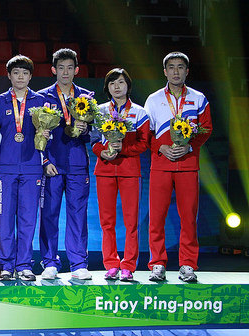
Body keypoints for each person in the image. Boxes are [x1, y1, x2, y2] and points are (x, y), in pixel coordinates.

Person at [144, 51, 211, 282]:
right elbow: (146, 133)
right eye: (171, 67)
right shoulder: (153, 100)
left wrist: (189, 148)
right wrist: (160, 148)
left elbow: (207, 128)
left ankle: (188, 265)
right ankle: (157, 264)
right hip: (161, 165)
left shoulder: (199, 99)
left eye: (180, 67)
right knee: (157, 217)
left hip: (188, 166)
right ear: (164, 71)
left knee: (188, 217)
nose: (175, 71)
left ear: (187, 71)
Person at [0, 55, 45, 281]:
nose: (21, 77)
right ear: (9, 75)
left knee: (28, 219)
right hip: (5, 170)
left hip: (32, 169)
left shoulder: (40, 102)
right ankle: (7, 265)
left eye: (25, 73)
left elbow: (48, 137)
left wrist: (45, 158)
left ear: (31, 76)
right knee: (5, 219)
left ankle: (25, 265)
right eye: (16, 72)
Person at [37, 48, 93, 280]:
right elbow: (37, 135)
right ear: (53, 70)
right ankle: (50, 261)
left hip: (78, 163)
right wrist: (45, 160)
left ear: (77, 70)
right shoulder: (42, 97)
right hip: (53, 164)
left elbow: (95, 133)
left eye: (70, 68)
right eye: (61, 68)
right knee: (49, 213)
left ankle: (78, 263)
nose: (66, 72)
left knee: (78, 214)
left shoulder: (87, 98)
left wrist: (86, 129)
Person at [90, 68, 149, 281]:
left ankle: (129, 266)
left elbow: (144, 143)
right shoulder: (99, 111)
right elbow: (94, 139)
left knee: (131, 221)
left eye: (121, 82)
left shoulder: (140, 113)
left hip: (129, 171)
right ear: (107, 87)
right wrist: (102, 151)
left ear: (128, 86)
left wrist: (122, 150)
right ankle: (112, 264)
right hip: (104, 169)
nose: (117, 86)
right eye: (113, 83)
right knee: (107, 221)